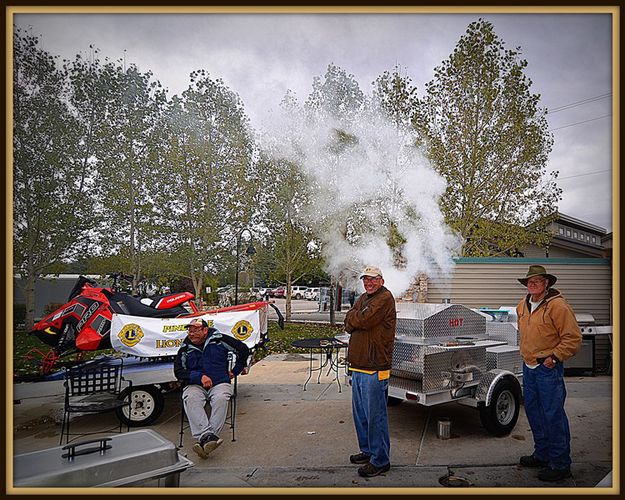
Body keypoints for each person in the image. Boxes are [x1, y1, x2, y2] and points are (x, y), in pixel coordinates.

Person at [516, 265, 582, 482]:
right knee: (534, 413)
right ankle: (542, 454)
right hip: (529, 367)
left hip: (547, 369)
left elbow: (572, 338)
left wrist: (553, 358)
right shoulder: (522, 306)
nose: (532, 284)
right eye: (529, 281)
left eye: (537, 281)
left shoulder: (558, 306)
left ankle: (561, 464)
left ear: (547, 284)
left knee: (552, 415)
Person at [343, 265, 397, 478]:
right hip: (358, 364)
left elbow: (363, 320)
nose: (369, 283)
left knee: (376, 416)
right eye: (366, 279)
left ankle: (381, 460)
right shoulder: (364, 298)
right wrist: (355, 316)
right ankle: (367, 450)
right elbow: (349, 322)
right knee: (361, 415)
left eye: (373, 279)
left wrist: (355, 316)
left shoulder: (384, 298)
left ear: (381, 280)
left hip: (375, 366)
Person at [174, 318, 249, 459]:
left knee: (221, 398)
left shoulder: (220, 340)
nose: (191, 333)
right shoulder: (185, 348)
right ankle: (209, 437)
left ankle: (205, 438)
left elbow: (243, 350)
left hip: (220, 382)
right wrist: (198, 377)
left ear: (205, 330)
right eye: (190, 330)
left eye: (196, 330)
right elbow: (178, 372)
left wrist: (236, 370)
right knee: (190, 397)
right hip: (195, 385)